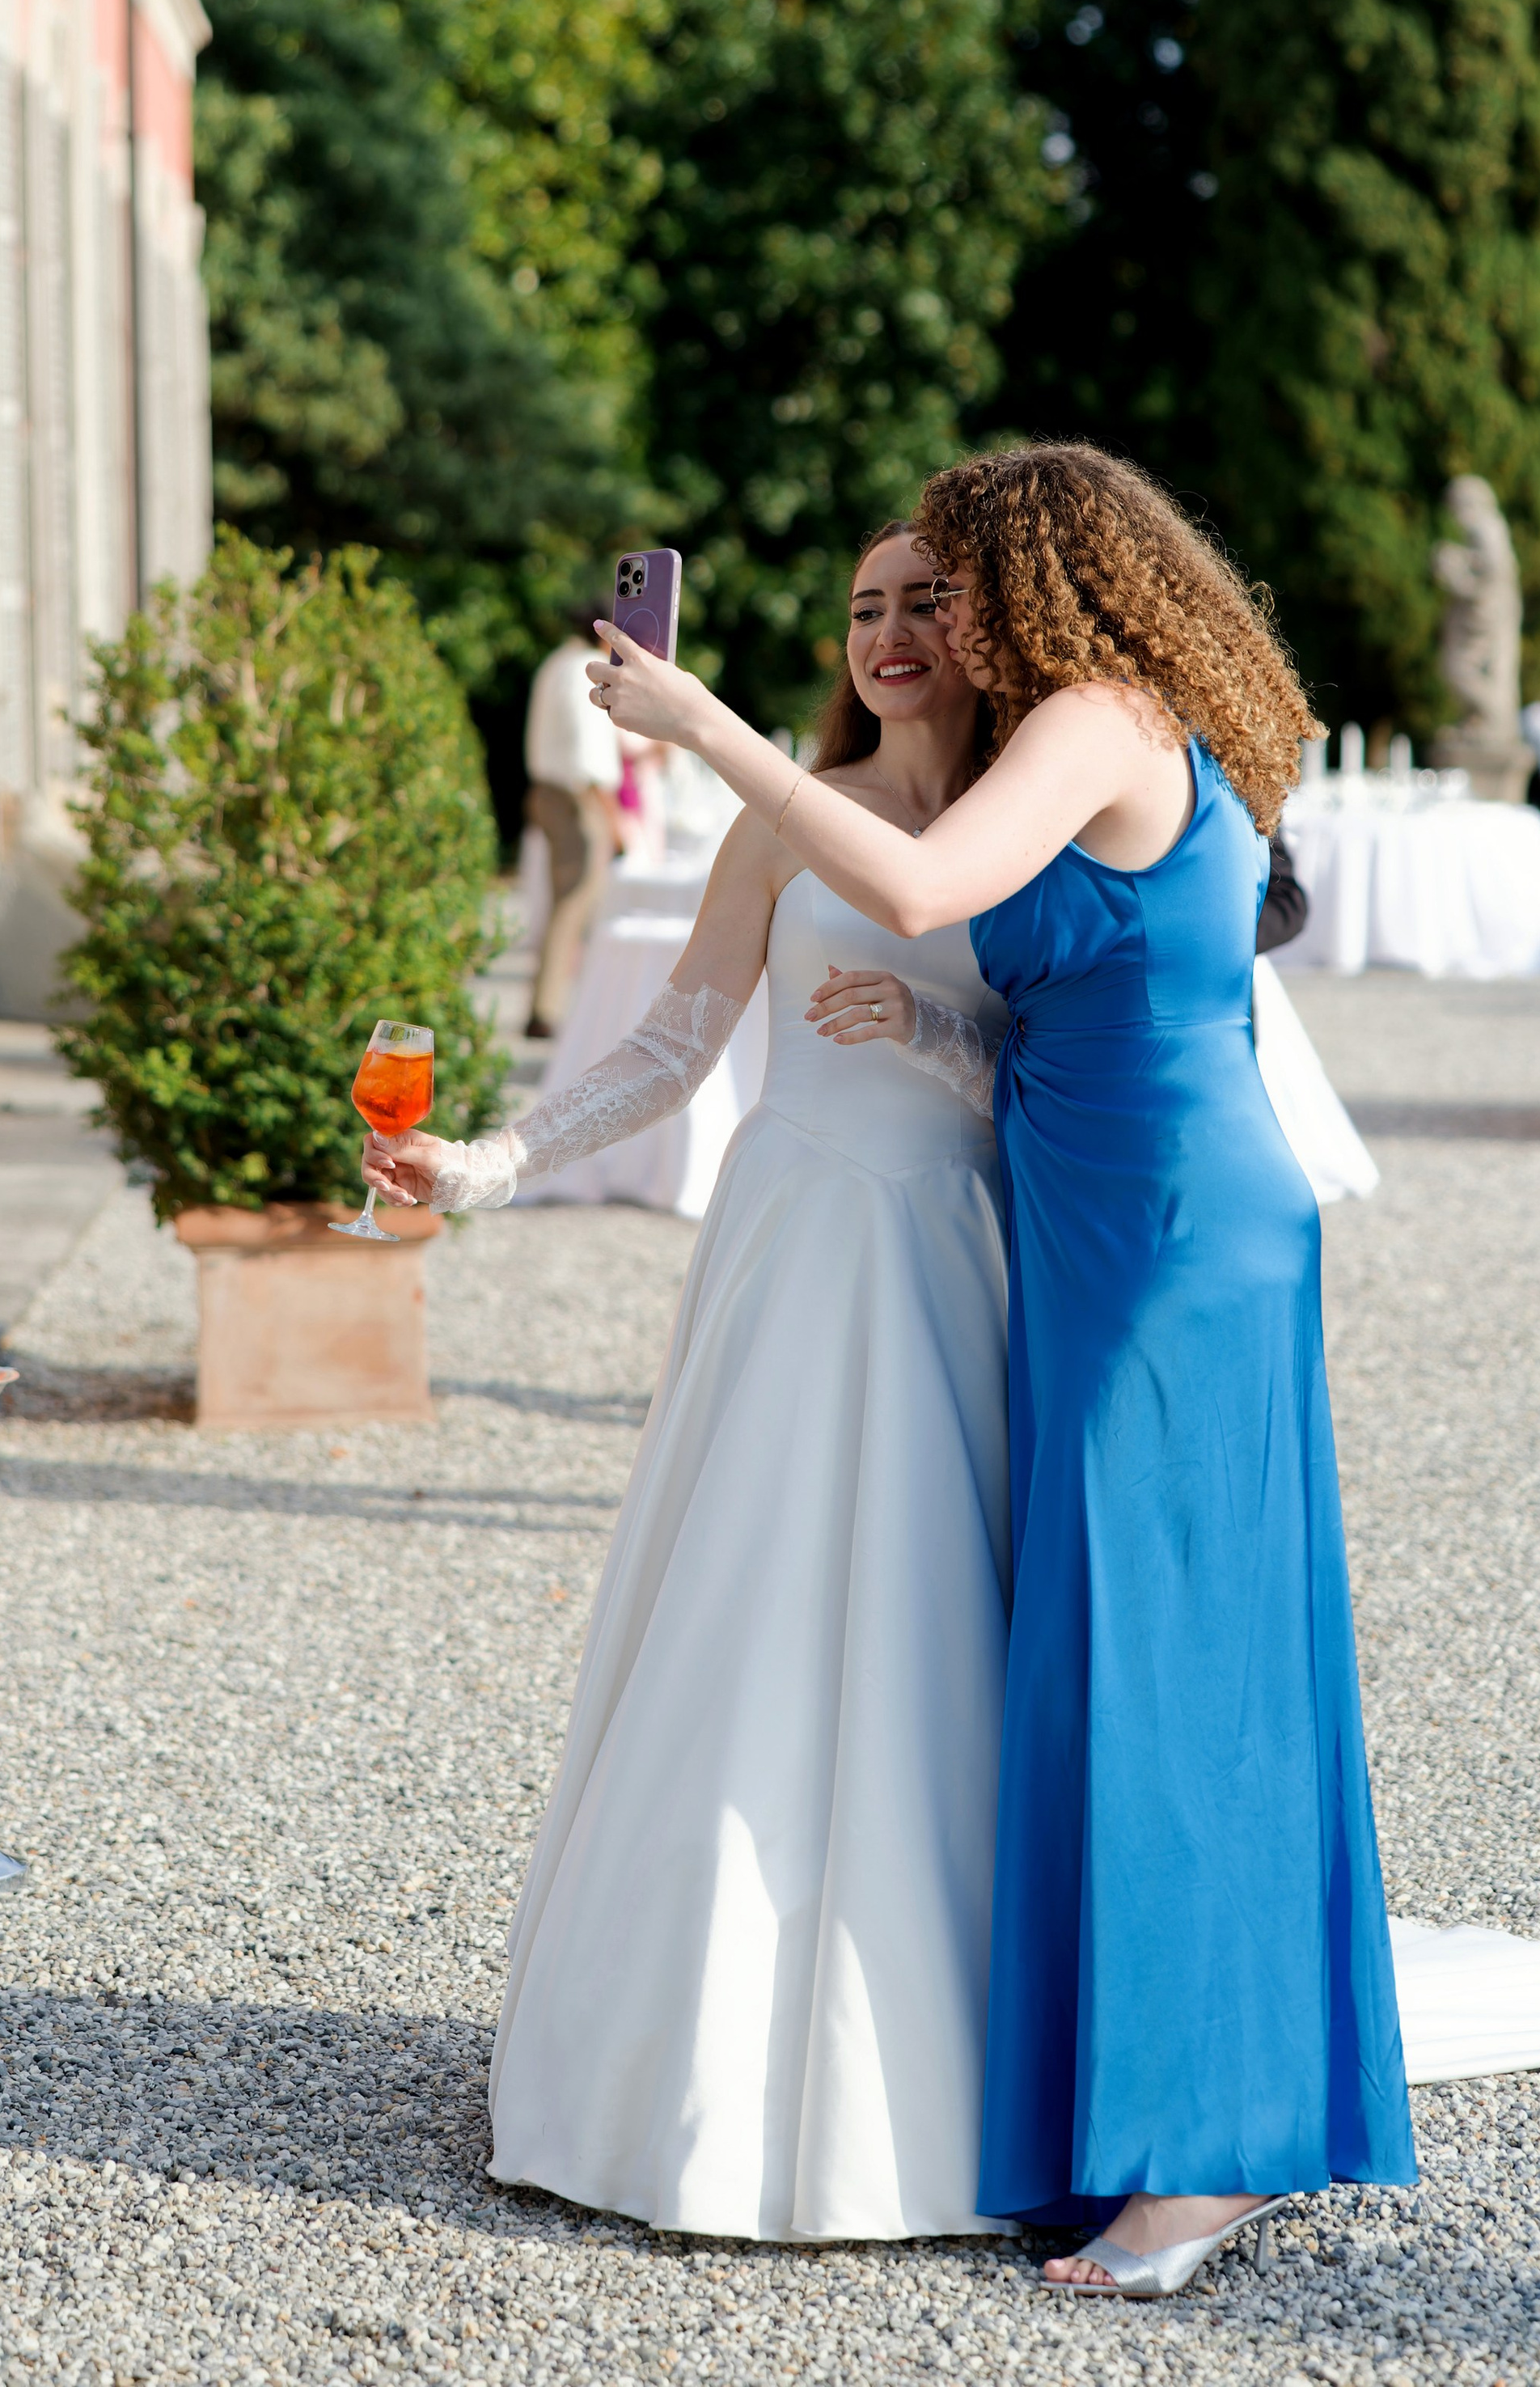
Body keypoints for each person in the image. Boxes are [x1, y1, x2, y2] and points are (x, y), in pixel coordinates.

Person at [578, 444, 1417, 2294]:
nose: (931, 619)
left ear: (1033, 578)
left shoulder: (1098, 718)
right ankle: (1160, 2100)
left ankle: (1199, 2160)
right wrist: (929, 1039)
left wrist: (700, 724)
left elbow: (911, 882)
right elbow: (1044, 984)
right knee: (1130, 1664)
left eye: (952, 584)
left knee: (1164, 1672)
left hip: (1164, 1230)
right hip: (1101, 1217)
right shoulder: (1095, 725)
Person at [362, 526, 1016, 2241]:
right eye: (863, 607)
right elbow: (673, 1042)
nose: (887, 631)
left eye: (924, 601)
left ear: (985, 625)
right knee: (746, 1605)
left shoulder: (1024, 820)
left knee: (932, 1626)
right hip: (790, 1243)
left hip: (952, 1254)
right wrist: (490, 1165)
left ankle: (929, 2067)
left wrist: (939, 1037)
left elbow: (1073, 1066)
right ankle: (679, 2061)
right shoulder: (785, 812)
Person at [522, 613, 624, 1037]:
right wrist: (614, 819)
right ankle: (550, 1009)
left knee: (567, 901)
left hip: (550, 791)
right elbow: (588, 757)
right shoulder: (583, 667)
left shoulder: (556, 662)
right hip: (576, 797)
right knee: (575, 902)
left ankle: (552, 1005)